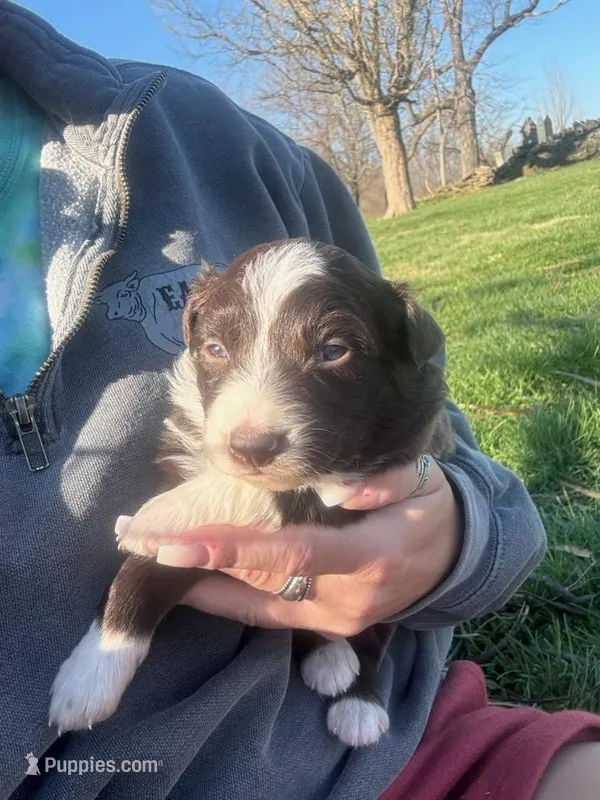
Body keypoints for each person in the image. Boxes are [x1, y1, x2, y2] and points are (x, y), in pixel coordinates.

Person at [0, 3, 598, 798]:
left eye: (330, 349)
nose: (251, 417)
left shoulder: (222, 142)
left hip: (402, 755)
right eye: (217, 348)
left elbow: (451, 454)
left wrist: (449, 532)